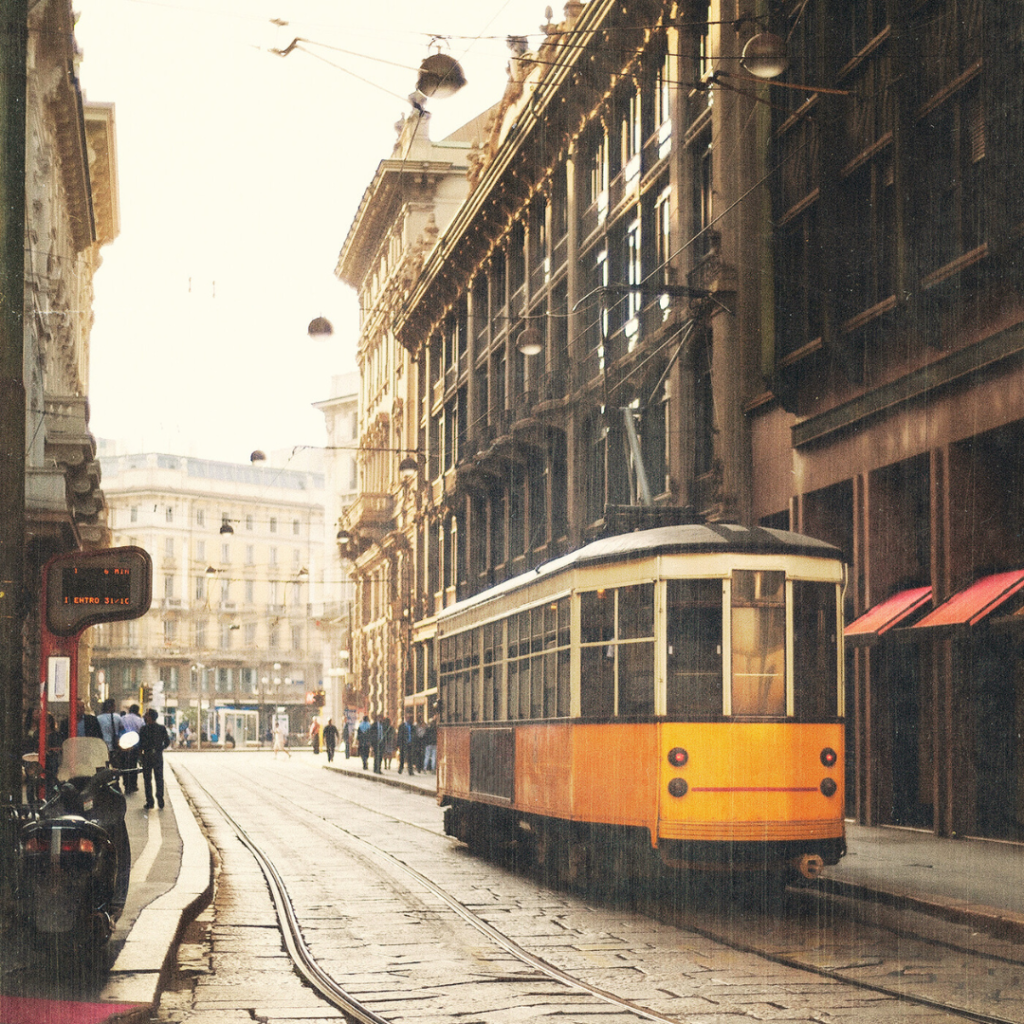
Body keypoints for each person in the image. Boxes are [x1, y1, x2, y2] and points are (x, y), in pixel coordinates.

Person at [138, 708, 170, 809]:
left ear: (150, 717)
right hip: (157, 756)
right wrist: (160, 748)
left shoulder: (143, 729)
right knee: (159, 778)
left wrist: (140, 757)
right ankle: (160, 799)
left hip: (147, 756)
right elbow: (167, 742)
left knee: (147, 779)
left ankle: (150, 801)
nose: (145, 717)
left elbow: (140, 745)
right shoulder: (161, 728)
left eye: (146, 715)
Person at [120, 703, 145, 794]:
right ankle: (133, 785)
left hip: (124, 746)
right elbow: (142, 733)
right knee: (133, 765)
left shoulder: (122, 718)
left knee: (125, 765)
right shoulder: (140, 720)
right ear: (137, 711)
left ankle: (126, 784)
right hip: (135, 746)